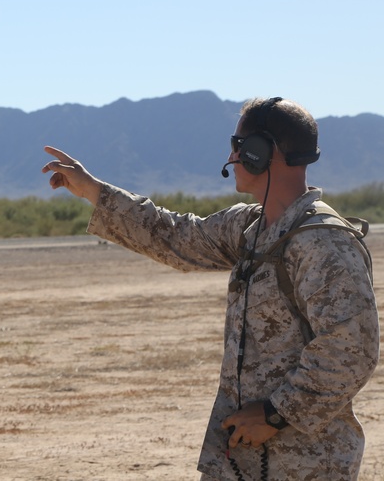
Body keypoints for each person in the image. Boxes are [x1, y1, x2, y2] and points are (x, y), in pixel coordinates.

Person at [41, 96, 378, 480]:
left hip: (305, 463)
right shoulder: (252, 228)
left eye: (238, 145)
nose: (231, 156)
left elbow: (353, 349)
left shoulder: (323, 243)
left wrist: (277, 414)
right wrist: (95, 192)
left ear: (260, 152)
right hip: (241, 459)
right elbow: (175, 237)